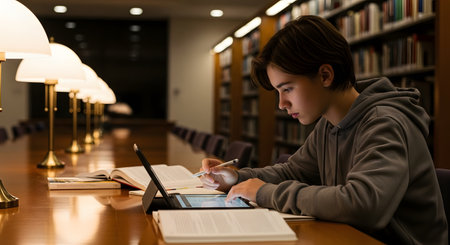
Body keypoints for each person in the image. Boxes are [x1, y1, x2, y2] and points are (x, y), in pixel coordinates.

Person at [200, 15, 448, 244]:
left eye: (287, 89)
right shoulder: (329, 125)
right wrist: (238, 178)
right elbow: (294, 171)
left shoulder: (386, 122)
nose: (282, 104)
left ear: (325, 75)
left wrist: (265, 193)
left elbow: (362, 205)